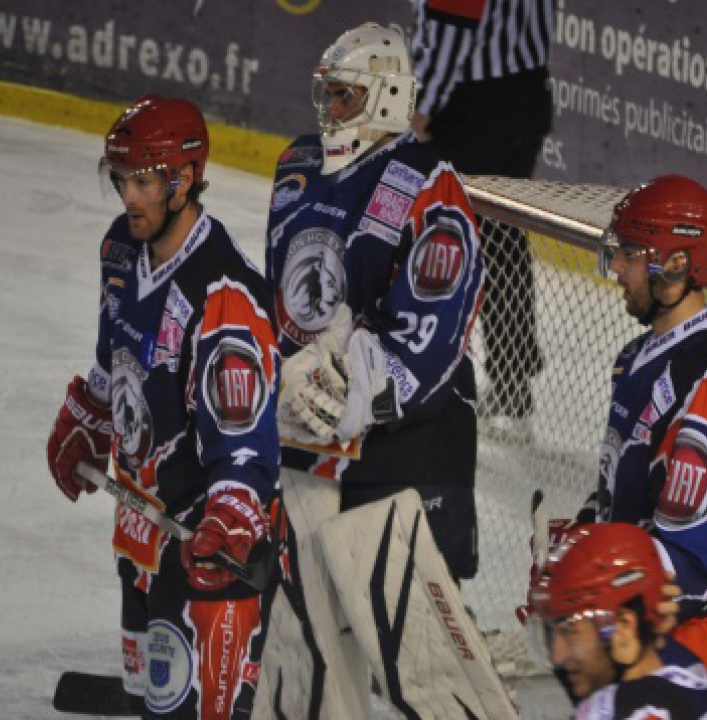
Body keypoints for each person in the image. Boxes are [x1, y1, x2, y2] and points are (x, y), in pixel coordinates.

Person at [252, 22, 511, 720]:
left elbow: (426, 338)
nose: (330, 109)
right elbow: (284, 302)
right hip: (309, 445)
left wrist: (340, 385)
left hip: (406, 448)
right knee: (303, 653)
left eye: (346, 95)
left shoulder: (430, 186)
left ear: (389, 96)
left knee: (419, 657)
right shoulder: (298, 166)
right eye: (328, 93)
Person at [44, 95, 281, 720]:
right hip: (142, 517)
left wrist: (230, 517)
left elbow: (244, 440)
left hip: (204, 543)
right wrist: (90, 414)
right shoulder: (121, 250)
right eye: (121, 178)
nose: (129, 196)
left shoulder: (224, 294)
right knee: (153, 691)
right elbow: (114, 351)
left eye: (144, 182)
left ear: (185, 179)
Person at [572, 175, 707, 720]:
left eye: (632, 253)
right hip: (650, 626)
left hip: (703, 635)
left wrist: (590, 572)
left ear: (678, 264)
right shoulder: (639, 357)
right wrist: (582, 538)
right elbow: (624, 491)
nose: (618, 266)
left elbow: (693, 555)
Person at [411, 0, 555, 426]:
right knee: (502, 241)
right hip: (528, 91)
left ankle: (428, 375)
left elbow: (449, 33)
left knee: (442, 239)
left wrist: (420, 109)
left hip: (471, 107)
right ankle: (512, 385)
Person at [528, 521, 707, 719]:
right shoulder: (686, 673)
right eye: (552, 633)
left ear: (624, 625)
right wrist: (647, 616)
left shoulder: (628, 711)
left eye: (569, 631)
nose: (558, 656)